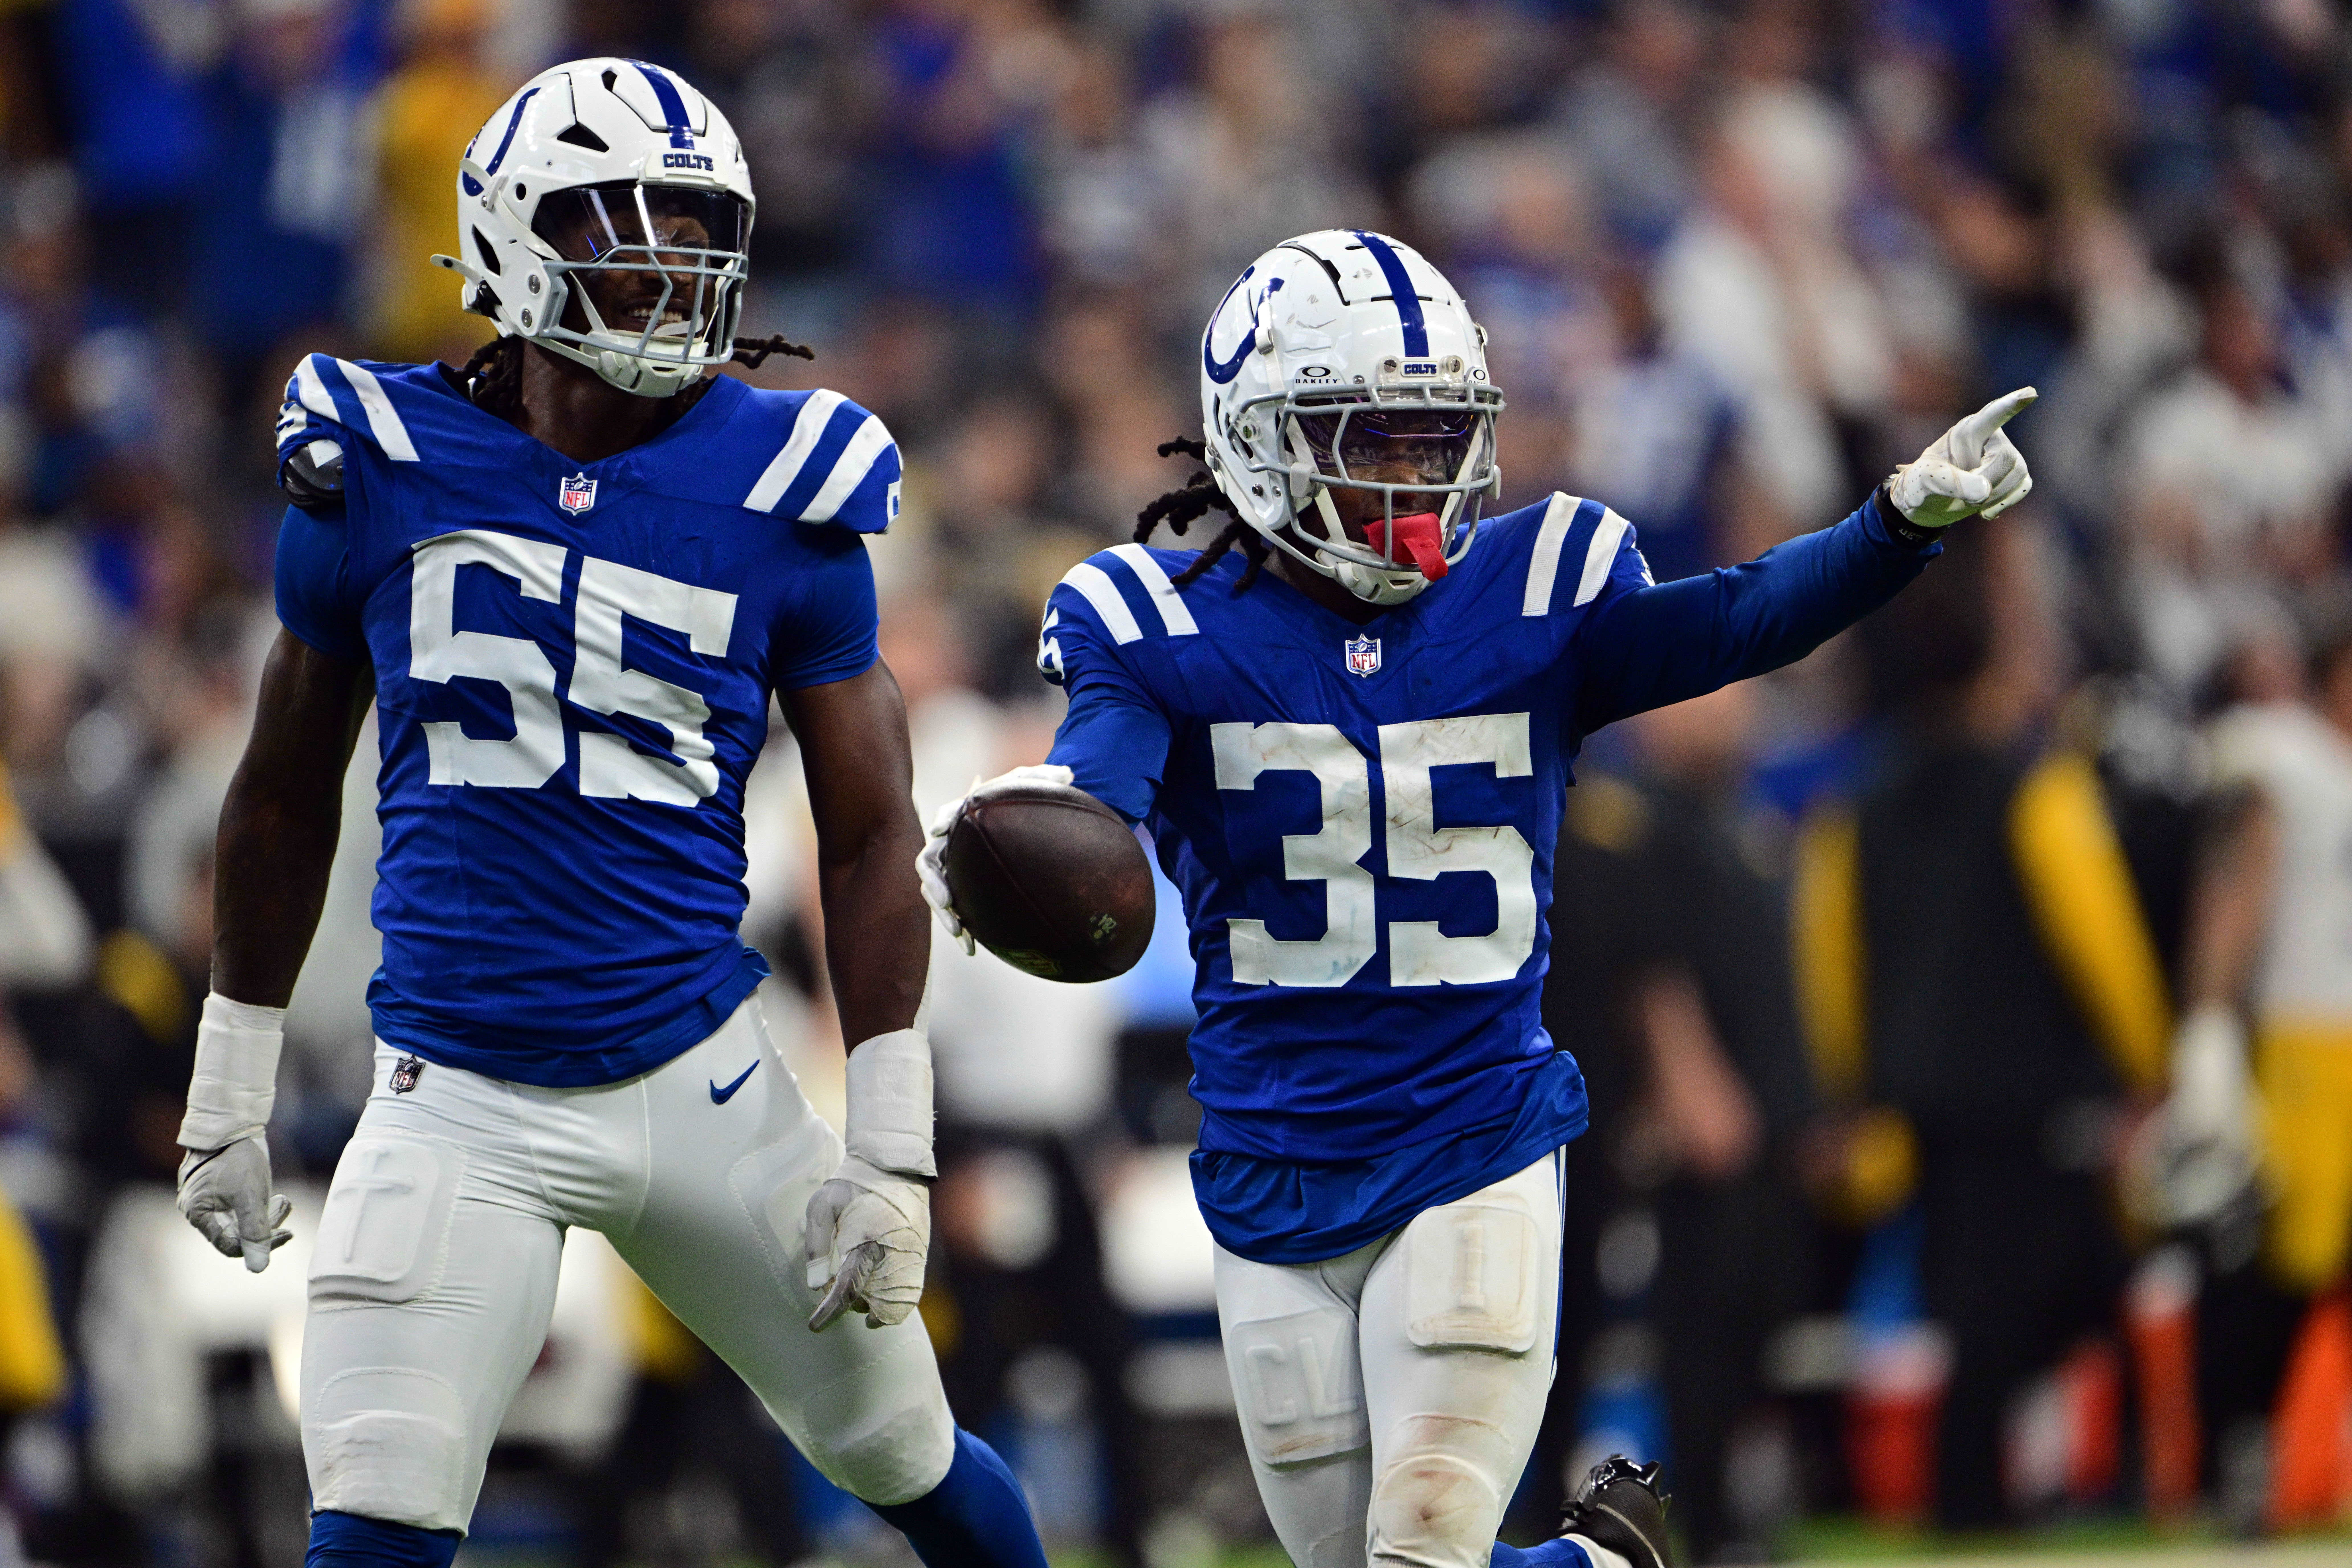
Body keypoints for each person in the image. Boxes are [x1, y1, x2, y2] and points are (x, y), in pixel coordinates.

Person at [919, 228, 2035, 1568]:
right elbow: (1094, 785)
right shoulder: (1158, 620)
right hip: (1270, 1160)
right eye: (1370, 438)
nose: (1411, 475)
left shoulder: (1537, 588)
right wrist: (1020, 828)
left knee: (1425, 1546)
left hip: (1474, 1136)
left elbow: (1740, 617)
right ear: (1257, 439)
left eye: (1433, 438)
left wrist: (1896, 525)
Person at [168, 58, 1048, 1568]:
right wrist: (229, 1079)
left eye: (691, 226)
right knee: (372, 1524)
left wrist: (890, 1143)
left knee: (911, 1457)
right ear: (511, 239)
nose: (666, 264)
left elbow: (865, 825)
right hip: (455, 1094)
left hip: (698, 1080)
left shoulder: (788, 481)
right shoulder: (378, 460)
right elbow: (279, 793)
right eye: (619, 226)